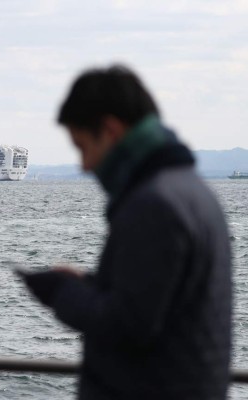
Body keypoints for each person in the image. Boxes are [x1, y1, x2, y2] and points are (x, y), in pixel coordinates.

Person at [19, 65, 232, 399]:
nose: (84, 166)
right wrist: (92, 286)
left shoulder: (154, 204)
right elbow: (160, 304)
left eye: (82, 146)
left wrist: (63, 291)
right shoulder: (195, 192)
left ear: (110, 130)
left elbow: (129, 327)